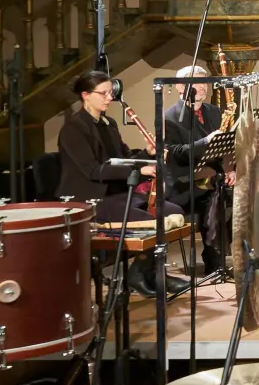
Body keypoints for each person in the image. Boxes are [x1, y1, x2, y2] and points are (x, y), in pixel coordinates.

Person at [59, 70, 183, 296]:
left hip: (117, 192)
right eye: (104, 93)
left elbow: (124, 156)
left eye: (111, 93)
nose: (109, 98)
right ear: (86, 95)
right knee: (156, 221)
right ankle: (137, 275)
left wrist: (147, 154)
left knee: (174, 211)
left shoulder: (109, 123)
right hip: (90, 197)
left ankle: (152, 273)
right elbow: (93, 170)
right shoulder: (73, 128)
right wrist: (138, 169)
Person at [161, 64, 233, 274]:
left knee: (240, 193)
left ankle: (236, 254)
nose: (202, 87)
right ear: (180, 88)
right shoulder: (168, 118)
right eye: (196, 83)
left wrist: (230, 170)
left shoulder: (214, 111)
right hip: (184, 184)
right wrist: (205, 141)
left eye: (204, 82)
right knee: (213, 197)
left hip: (211, 178)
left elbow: (226, 146)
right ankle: (214, 259)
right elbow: (174, 154)